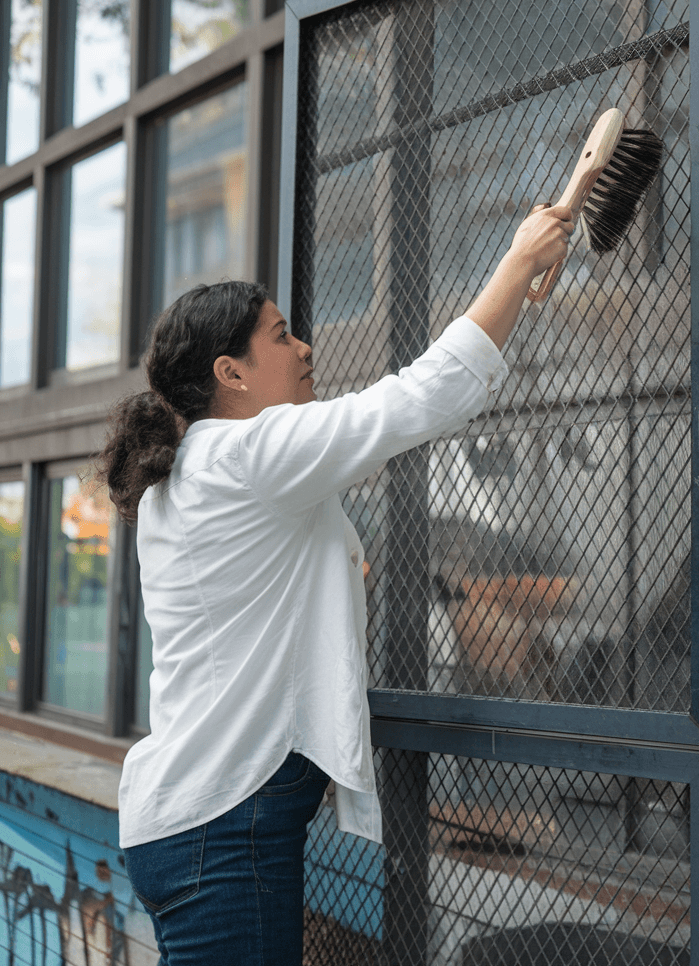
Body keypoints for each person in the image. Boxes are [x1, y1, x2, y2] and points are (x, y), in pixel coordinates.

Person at [97, 205, 573, 965]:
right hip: (226, 826)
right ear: (231, 373)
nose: (304, 348)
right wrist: (519, 260)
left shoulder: (195, 471)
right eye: (281, 336)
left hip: (200, 821)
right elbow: (420, 396)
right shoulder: (244, 453)